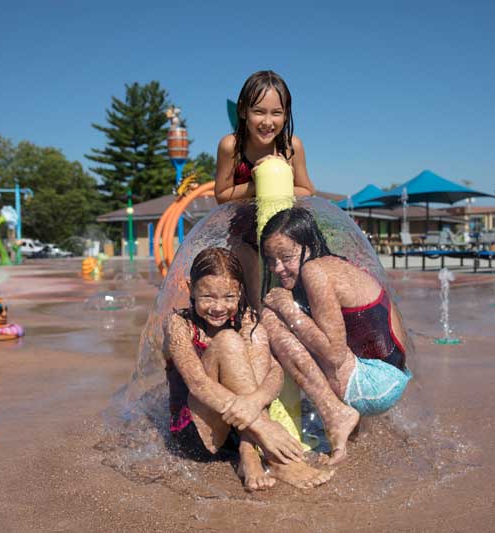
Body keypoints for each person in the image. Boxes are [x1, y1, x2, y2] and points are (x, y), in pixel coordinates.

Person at [163, 247, 333, 490]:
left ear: (239, 291)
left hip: (239, 430)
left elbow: (275, 371)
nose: (218, 307)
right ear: (191, 289)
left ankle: (248, 451)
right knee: (228, 341)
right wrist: (265, 425)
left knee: (255, 334)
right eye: (208, 297)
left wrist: (255, 402)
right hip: (198, 433)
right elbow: (198, 384)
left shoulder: (246, 318)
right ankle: (273, 458)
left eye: (229, 297)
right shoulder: (178, 325)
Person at [259, 208, 413, 465]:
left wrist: (286, 308)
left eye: (286, 257)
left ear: (309, 245)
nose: (278, 268)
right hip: (392, 375)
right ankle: (354, 427)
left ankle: (335, 413)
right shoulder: (335, 264)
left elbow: (334, 353)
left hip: (375, 384)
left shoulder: (315, 272)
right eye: (270, 260)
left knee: (271, 318)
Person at [215, 70, 315, 204]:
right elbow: (221, 196)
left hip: (284, 223)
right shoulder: (232, 146)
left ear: (286, 115)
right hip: (244, 223)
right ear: (243, 110)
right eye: (259, 111)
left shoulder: (291, 146)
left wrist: (281, 180)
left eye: (276, 113)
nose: (267, 122)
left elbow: (307, 191)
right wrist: (259, 183)